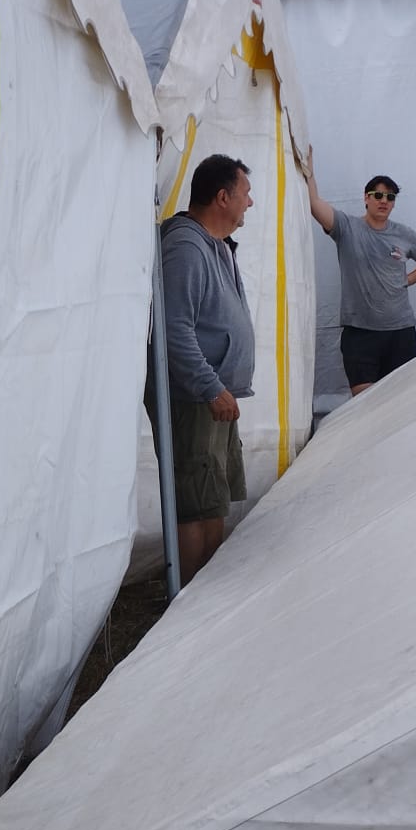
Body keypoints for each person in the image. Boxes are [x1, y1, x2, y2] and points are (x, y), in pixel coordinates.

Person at [153, 152, 256, 582]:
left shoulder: (213, 245)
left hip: (211, 398)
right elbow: (173, 329)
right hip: (194, 399)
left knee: (212, 499)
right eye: (245, 194)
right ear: (222, 197)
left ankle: (206, 601)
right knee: (195, 505)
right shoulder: (186, 247)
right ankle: (191, 608)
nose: (250, 203)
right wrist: (210, 387)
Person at [305, 160, 416, 393]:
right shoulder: (347, 227)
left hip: (400, 331)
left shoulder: (404, 233)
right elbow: (315, 204)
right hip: (360, 333)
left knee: (402, 398)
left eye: (390, 197)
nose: (384, 201)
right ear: (366, 198)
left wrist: (408, 279)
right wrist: (308, 170)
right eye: (378, 195)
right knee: (364, 403)